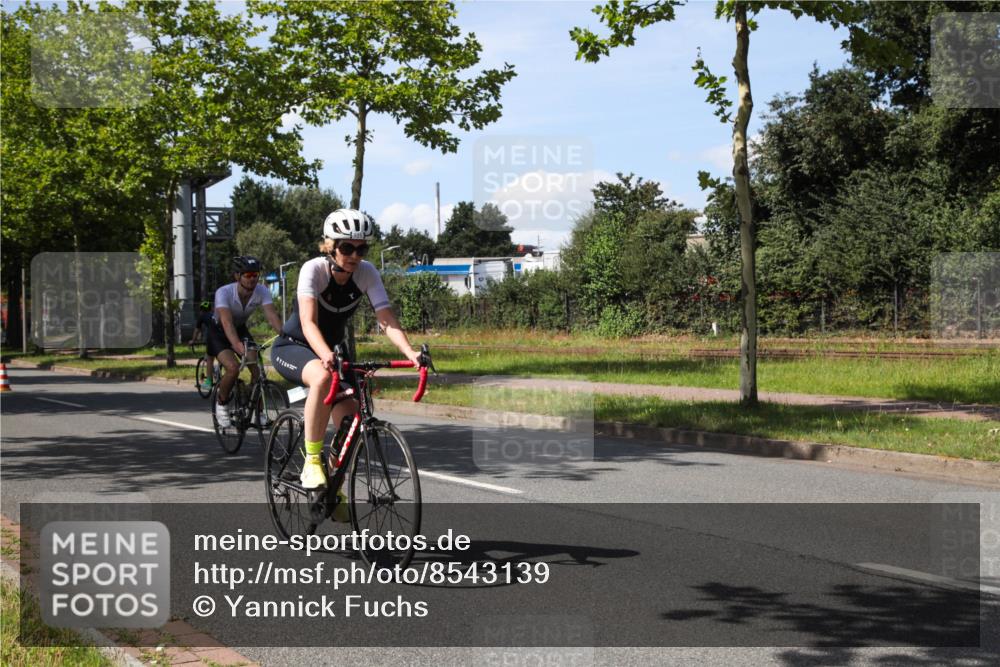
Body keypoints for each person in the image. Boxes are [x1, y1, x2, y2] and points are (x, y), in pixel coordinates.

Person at [271, 209, 421, 494]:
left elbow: (385, 318)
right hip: (294, 345)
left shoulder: (367, 272)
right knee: (322, 378)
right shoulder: (313, 270)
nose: (355, 255)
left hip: (334, 352)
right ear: (330, 246)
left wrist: (410, 352)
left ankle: (332, 487)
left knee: (352, 423)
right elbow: (308, 322)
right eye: (347, 247)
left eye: (362, 248)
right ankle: (312, 460)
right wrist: (325, 354)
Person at [210, 256, 284, 428]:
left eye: (255, 275)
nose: (253, 279)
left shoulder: (262, 290)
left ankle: (257, 411)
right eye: (248, 275)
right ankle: (221, 404)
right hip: (219, 332)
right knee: (233, 368)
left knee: (257, 371)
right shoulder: (224, 292)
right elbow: (227, 322)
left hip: (241, 329)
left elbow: (272, 316)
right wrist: (236, 345)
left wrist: (286, 335)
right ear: (237, 276)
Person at [188, 301, 217, 391]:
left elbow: (197, 330)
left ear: (201, 310)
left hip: (212, 338)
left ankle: (208, 382)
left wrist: (193, 340)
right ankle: (219, 374)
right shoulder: (215, 314)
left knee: (210, 358)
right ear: (211, 309)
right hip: (224, 336)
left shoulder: (202, 316)